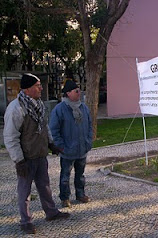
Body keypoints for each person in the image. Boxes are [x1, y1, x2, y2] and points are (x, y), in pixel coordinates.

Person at [3, 73, 70, 235]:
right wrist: (19, 161)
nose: (41, 88)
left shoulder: (38, 105)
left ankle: (51, 212)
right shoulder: (16, 108)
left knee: (45, 186)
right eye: (37, 85)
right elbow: (10, 137)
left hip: (40, 155)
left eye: (40, 85)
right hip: (26, 158)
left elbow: (44, 127)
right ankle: (25, 221)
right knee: (24, 192)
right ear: (27, 89)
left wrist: (51, 143)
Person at [49, 79, 93, 208]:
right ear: (68, 93)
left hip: (82, 148)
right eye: (76, 91)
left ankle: (80, 194)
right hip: (67, 150)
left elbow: (90, 125)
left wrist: (88, 141)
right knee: (65, 176)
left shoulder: (83, 107)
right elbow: (54, 130)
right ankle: (64, 197)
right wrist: (61, 146)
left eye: (79, 90)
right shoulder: (60, 109)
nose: (79, 93)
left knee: (80, 175)